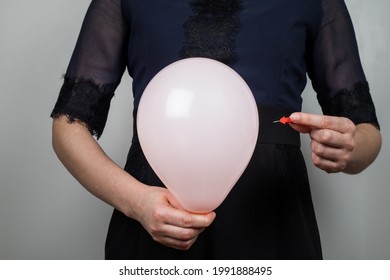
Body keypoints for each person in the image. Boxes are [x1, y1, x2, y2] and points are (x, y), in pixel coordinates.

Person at [50, 0, 381, 259]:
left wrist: (348, 147)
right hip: (153, 215)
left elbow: (366, 132)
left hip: (274, 222)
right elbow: (69, 127)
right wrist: (137, 202)